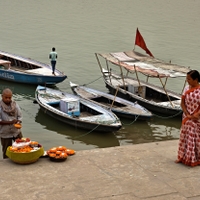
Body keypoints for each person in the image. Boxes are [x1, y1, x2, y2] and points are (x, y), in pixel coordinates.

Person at [176, 70, 200, 166]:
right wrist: (186, 112)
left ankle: (195, 158)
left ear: (196, 79)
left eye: (189, 79)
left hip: (197, 118)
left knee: (196, 138)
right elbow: (182, 102)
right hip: (186, 116)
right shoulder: (186, 88)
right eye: (187, 79)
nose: (187, 81)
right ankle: (183, 157)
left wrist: (197, 114)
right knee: (185, 137)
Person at [0, 88, 22, 159]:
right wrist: (11, 122)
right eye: (6, 97)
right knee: (7, 152)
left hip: (16, 132)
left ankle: (21, 160)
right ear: (2, 96)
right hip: (5, 133)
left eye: (9, 97)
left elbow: (19, 116)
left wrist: (18, 122)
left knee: (21, 147)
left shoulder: (15, 105)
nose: (8, 99)